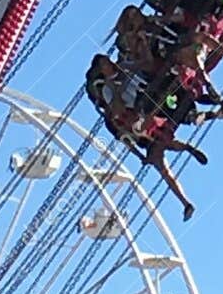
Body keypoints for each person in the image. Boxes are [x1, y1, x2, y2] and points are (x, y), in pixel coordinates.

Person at [84, 54, 207, 221]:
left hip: (151, 99)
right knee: (159, 159)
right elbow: (121, 123)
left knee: (171, 101)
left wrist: (132, 65)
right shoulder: (108, 90)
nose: (109, 64)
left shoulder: (125, 66)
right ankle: (185, 202)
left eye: (108, 61)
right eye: (104, 64)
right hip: (139, 119)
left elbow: (147, 64)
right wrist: (114, 87)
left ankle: (193, 117)